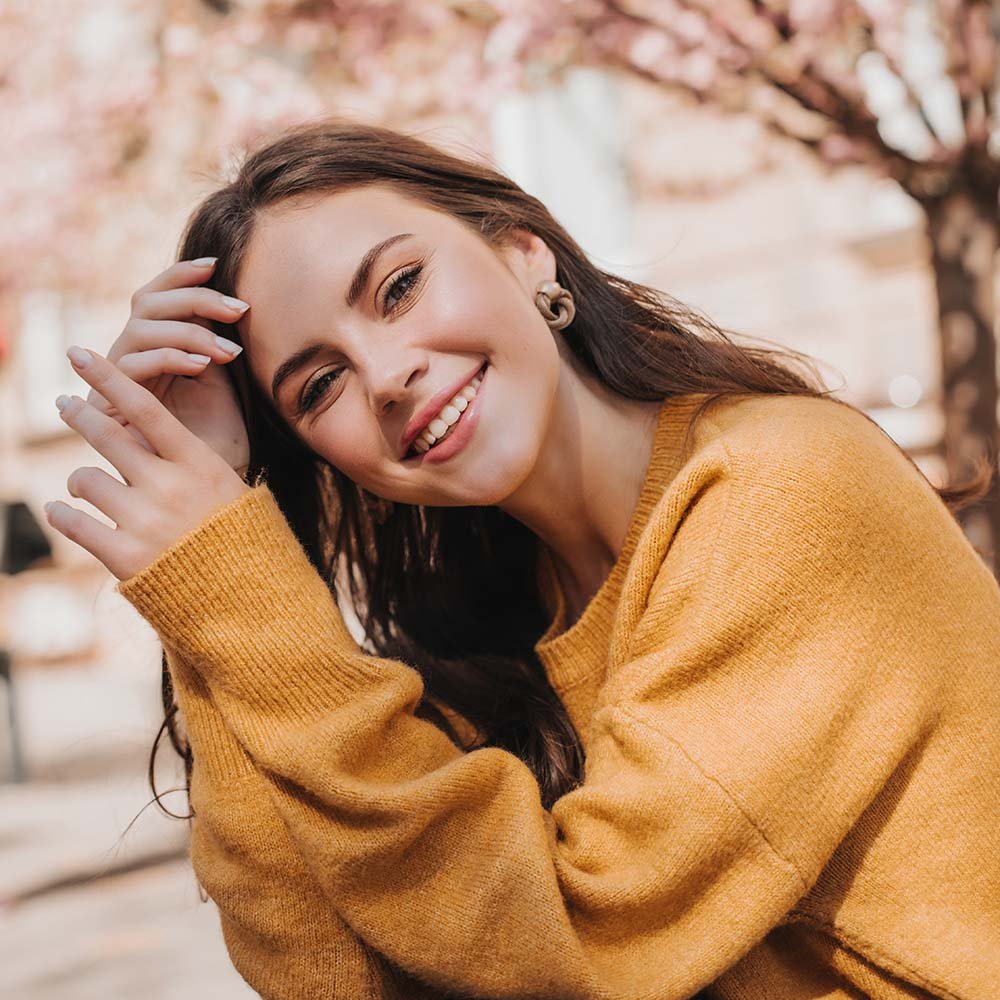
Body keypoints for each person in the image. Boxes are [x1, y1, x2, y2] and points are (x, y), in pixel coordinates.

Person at [44, 118, 1000, 1000]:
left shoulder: (783, 489)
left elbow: (580, 945)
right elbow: (325, 972)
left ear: (521, 250)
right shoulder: (495, 624)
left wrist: (235, 592)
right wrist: (208, 560)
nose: (385, 376)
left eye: (399, 287)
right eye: (320, 382)